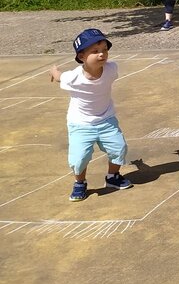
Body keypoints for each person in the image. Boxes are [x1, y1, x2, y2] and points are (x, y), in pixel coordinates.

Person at [49, 29, 133, 201]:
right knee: (79, 158)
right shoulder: (73, 77)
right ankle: (80, 183)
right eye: (95, 51)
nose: (102, 54)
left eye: (105, 49)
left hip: (106, 119)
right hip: (80, 123)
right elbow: (59, 77)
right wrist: (53, 71)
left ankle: (113, 177)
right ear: (81, 57)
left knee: (119, 148)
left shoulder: (111, 69)